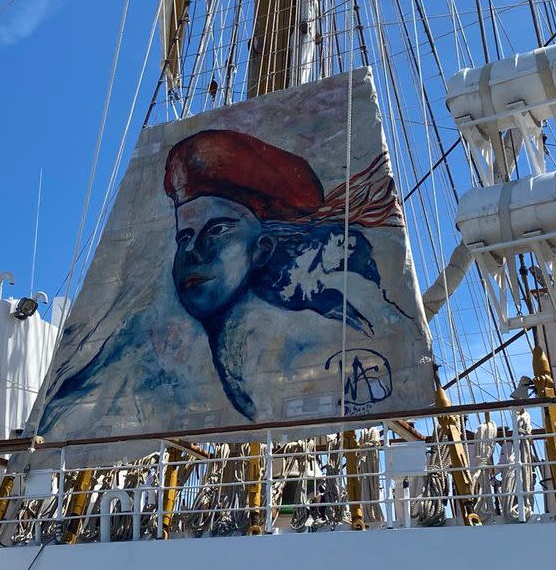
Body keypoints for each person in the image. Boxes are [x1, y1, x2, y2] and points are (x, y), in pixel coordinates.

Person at [163, 129, 411, 421]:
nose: (193, 251)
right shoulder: (206, 360)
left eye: (217, 230)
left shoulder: (310, 348)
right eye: (183, 238)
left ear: (262, 249)